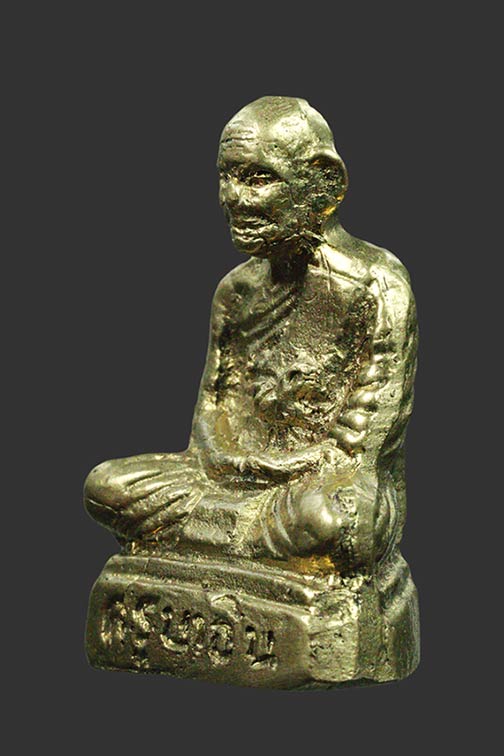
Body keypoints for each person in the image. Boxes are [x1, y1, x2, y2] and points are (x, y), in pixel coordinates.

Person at [84, 96, 417, 572]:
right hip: (229, 479)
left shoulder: (375, 286)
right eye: (226, 176)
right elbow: (210, 420)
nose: (232, 198)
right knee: (107, 487)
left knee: (329, 521)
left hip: (313, 490)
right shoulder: (236, 292)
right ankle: (241, 539)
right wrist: (244, 469)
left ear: (325, 183)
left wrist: (282, 471)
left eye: (258, 178)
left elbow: (358, 450)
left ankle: (216, 539)